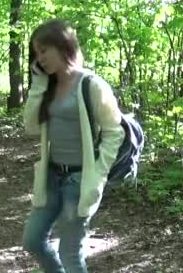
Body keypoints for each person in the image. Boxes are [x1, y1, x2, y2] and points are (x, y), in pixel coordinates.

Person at [21, 19, 125, 272]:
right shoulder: (48, 85)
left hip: (79, 181)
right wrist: (37, 85)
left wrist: (98, 172)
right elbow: (30, 126)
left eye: (44, 50)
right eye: (37, 54)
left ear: (63, 46)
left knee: (70, 253)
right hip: (51, 176)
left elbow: (114, 132)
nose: (41, 58)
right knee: (32, 241)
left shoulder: (91, 84)